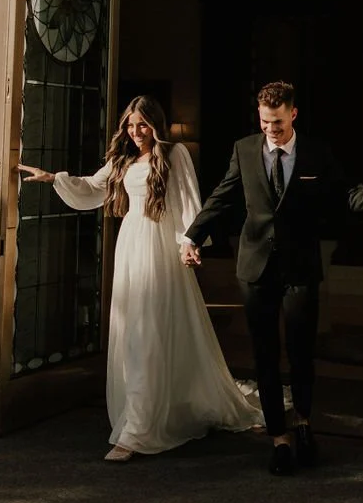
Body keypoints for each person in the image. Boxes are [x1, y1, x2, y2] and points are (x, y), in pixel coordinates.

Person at [181, 80, 363, 477]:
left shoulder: (316, 152)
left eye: (279, 121)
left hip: (300, 268)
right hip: (255, 269)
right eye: (266, 121)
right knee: (265, 356)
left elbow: (346, 194)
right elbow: (223, 196)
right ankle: (278, 439)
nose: (271, 128)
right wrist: (191, 236)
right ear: (259, 116)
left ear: (293, 114)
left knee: (302, 352)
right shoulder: (244, 149)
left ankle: (303, 424)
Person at [17, 95, 260, 462]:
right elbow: (94, 187)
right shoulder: (123, 157)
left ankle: (138, 430)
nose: (136, 132)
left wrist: (189, 242)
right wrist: (53, 178)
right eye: (131, 126)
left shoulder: (174, 154)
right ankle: (138, 416)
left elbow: (188, 200)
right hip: (131, 244)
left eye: (143, 125)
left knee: (153, 328)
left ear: (156, 124)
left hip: (161, 246)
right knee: (133, 328)